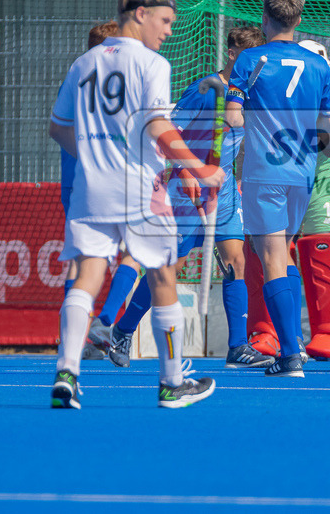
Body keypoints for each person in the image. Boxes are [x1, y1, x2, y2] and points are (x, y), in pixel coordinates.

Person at [49, 0, 223, 408]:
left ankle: (66, 374)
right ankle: (171, 384)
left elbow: (57, 127)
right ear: (139, 13)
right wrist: (198, 168)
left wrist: (95, 155)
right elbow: (158, 128)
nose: (168, 31)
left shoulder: (82, 62)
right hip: (140, 189)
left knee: (86, 277)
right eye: (165, 21)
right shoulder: (152, 63)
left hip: (91, 188)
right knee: (163, 275)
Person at [102, 26, 273, 369]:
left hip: (223, 193)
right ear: (231, 53)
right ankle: (122, 331)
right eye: (246, 58)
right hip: (186, 191)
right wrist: (184, 173)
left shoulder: (250, 97)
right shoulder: (204, 90)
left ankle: (238, 347)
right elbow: (168, 134)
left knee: (236, 261)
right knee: (169, 269)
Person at [225, 0, 330, 378]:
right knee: (284, 253)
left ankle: (290, 353)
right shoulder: (318, 65)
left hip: (264, 171)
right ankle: (293, 346)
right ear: (298, 19)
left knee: (271, 256)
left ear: (265, 17)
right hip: (302, 171)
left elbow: (233, 117)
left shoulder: (250, 60)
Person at [243, 39, 330, 362]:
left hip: (319, 184)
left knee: (322, 249)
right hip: (281, 179)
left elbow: (327, 139)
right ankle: (269, 330)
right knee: (268, 251)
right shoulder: (272, 98)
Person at [54, 20, 142, 361]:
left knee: (81, 261)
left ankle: (70, 341)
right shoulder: (115, 87)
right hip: (112, 180)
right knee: (138, 250)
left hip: (74, 182)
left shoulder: (75, 78)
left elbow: (57, 128)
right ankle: (105, 323)